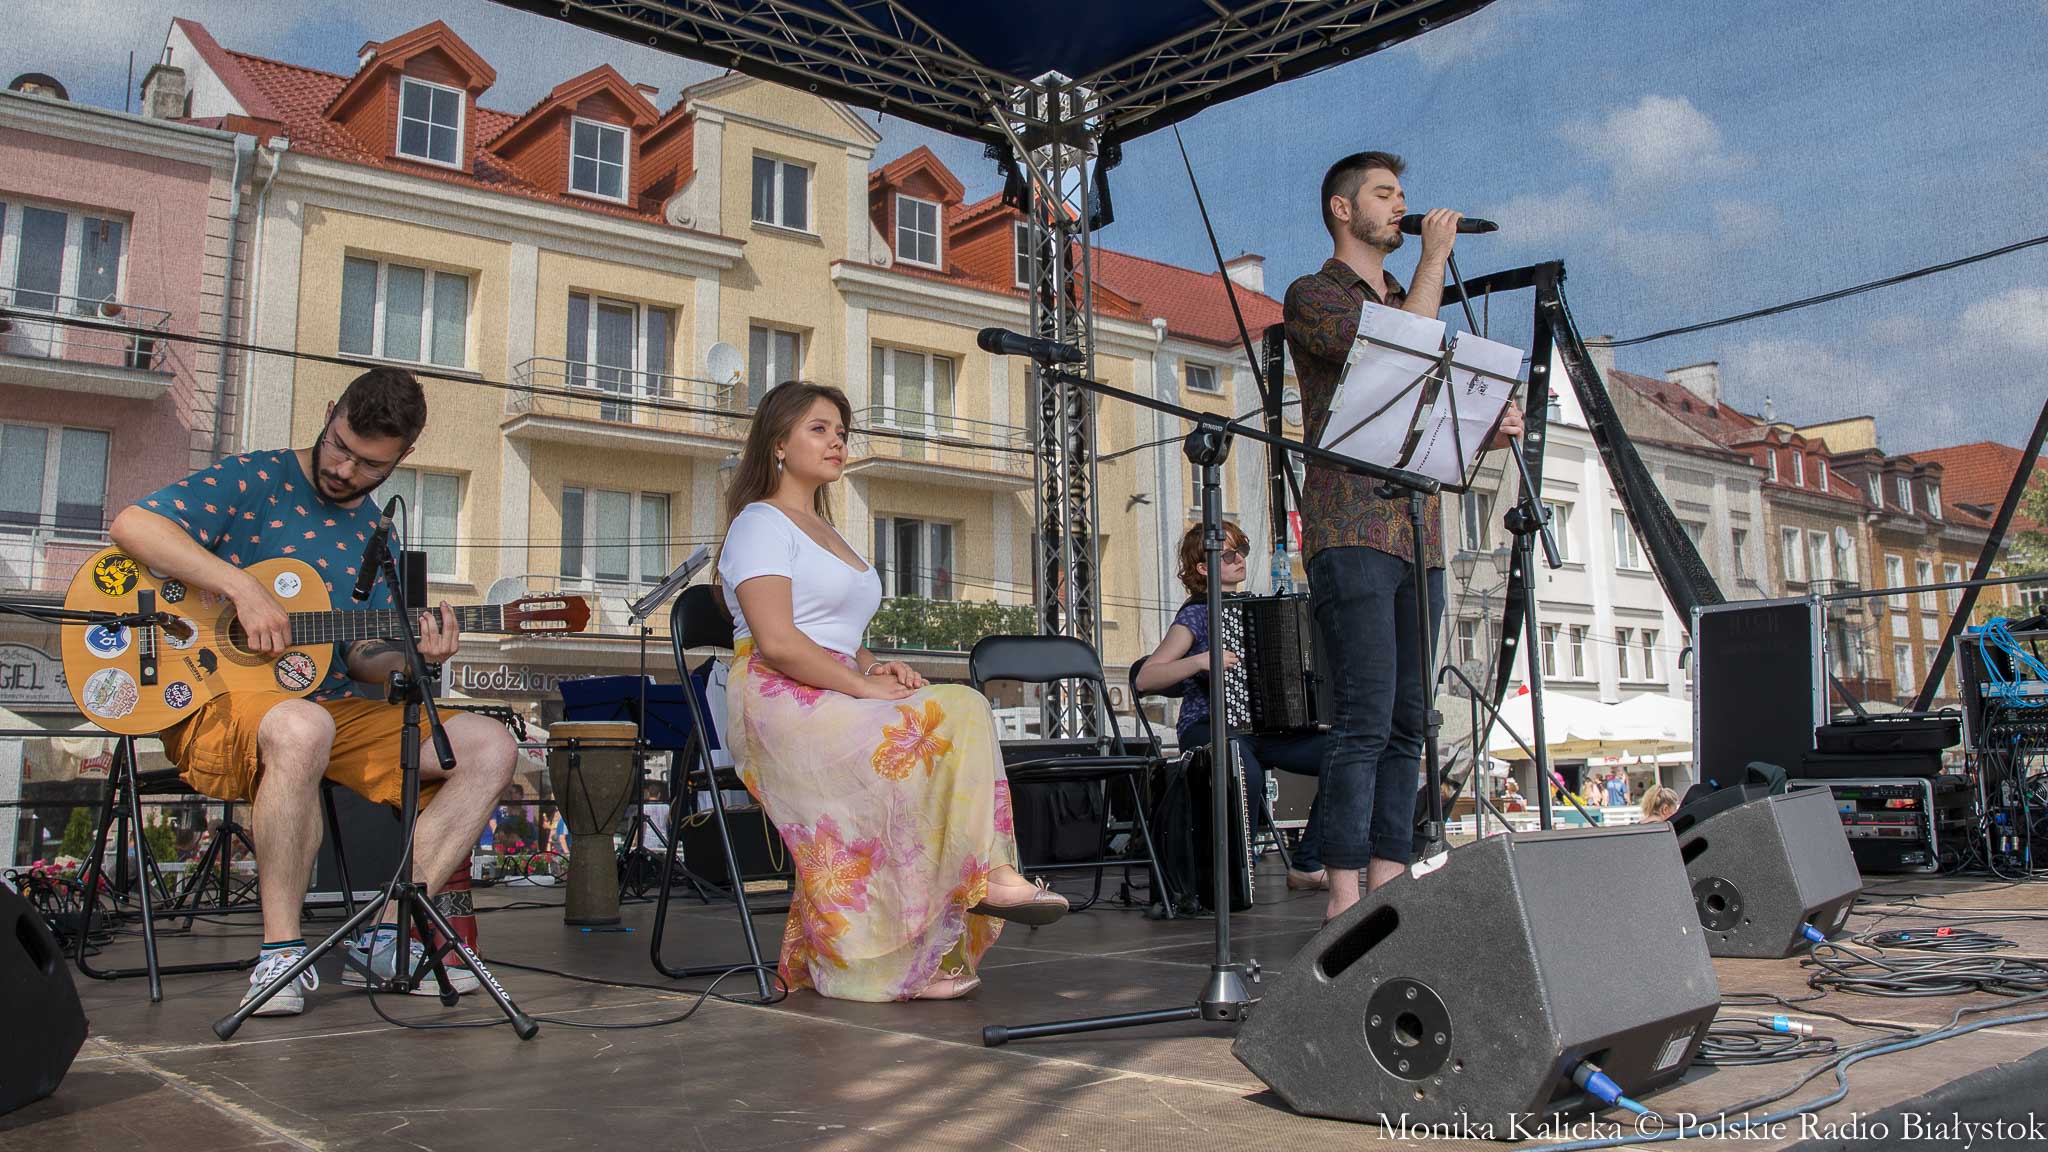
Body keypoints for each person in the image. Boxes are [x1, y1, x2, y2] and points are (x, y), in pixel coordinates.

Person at [107, 367, 516, 1017]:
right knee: (303, 725)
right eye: (339, 447)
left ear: (404, 455)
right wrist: (241, 588)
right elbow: (134, 525)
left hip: (327, 706)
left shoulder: (377, 535)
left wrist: (413, 652)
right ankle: (279, 955)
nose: (345, 470)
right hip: (216, 701)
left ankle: (383, 935)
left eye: (369, 464)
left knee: (490, 746)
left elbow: (361, 656)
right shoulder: (256, 478)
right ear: (329, 413)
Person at [719, 380, 1062, 1003]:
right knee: (947, 719)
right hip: (777, 695)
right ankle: (984, 879)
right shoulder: (759, 523)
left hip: (834, 685)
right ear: (777, 444)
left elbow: (839, 636)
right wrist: (860, 685)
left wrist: (878, 668)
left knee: (959, 711)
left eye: (841, 432)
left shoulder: (829, 531)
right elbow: (779, 640)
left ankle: (932, 941)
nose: (837, 441)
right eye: (819, 429)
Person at [1285, 150, 1525, 920]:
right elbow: (1398, 353)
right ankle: (1342, 892)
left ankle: (1390, 880)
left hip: (1419, 531)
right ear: (1342, 209)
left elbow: (1421, 421)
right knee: (1363, 714)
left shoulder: (1408, 300)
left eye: (1402, 195)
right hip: (1351, 525)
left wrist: (1483, 428)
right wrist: (1434, 258)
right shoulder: (1314, 294)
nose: (1400, 206)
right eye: (1384, 194)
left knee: (1409, 719)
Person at [1134, 520, 1329, 891]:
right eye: (1228, 555)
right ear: (1203, 567)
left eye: (1242, 551)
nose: (1240, 559)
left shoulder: (1256, 607)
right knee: (1241, 767)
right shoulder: (1195, 614)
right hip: (1206, 727)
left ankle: (1309, 862)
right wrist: (1199, 661)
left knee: (1345, 753)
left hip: (1263, 729)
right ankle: (1238, 876)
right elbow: (1146, 678)